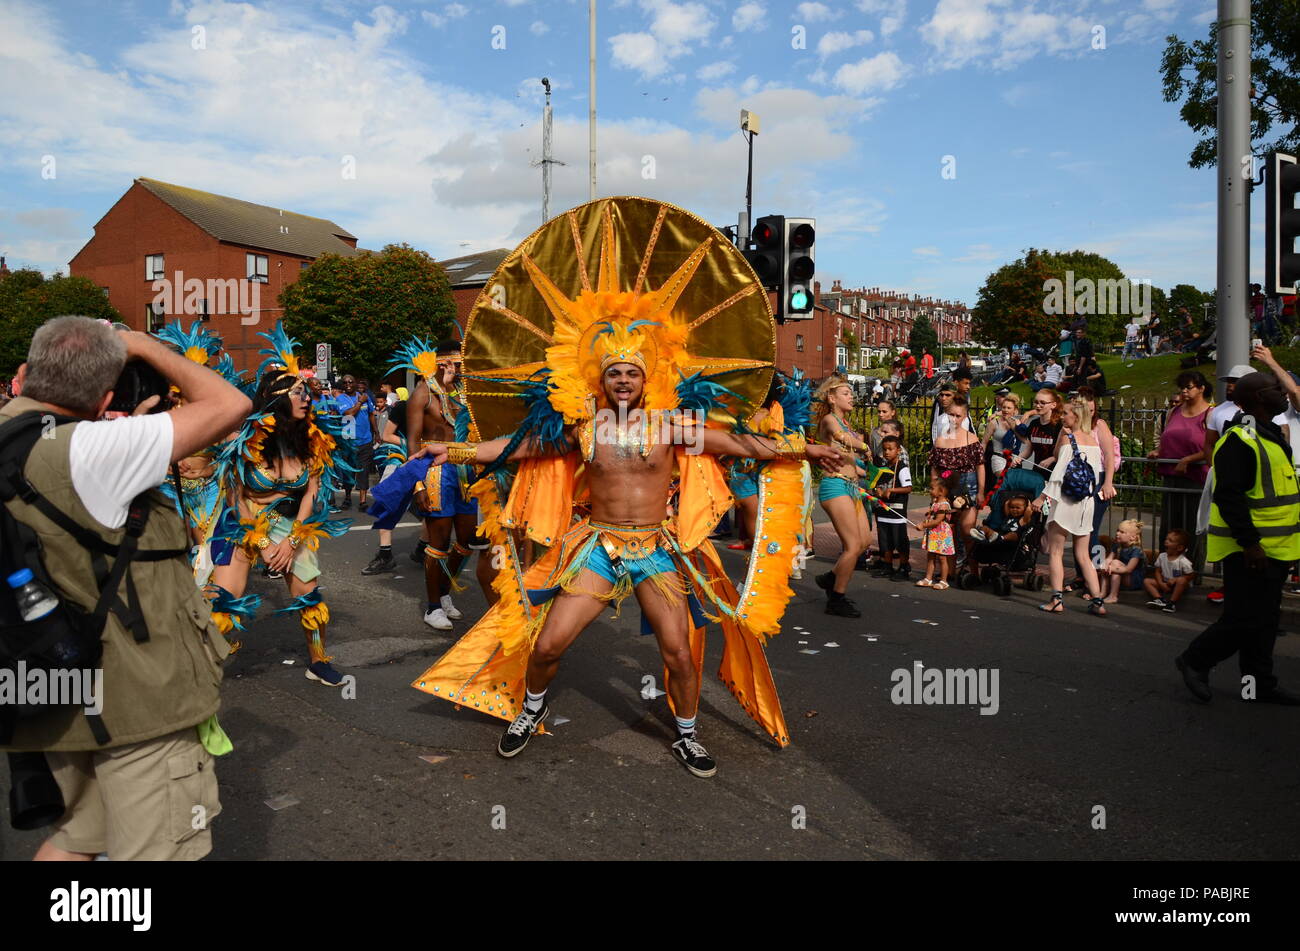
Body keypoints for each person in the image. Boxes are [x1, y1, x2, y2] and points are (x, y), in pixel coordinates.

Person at [406, 199, 842, 776]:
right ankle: (529, 708)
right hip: (597, 547)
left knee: (678, 650)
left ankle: (686, 734)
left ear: (646, 377)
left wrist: (805, 447)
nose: (623, 379)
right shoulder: (581, 426)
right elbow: (515, 448)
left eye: (632, 372)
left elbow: (742, 446)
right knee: (548, 644)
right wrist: (453, 449)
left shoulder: (672, 426)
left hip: (656, 548)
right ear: (601, 376)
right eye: (614, 371)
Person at [1, 315, 250, 860]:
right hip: (132, 700)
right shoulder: (96, 450)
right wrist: (141, 344)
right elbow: (230, 405)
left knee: (72, 841)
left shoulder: (10, 437)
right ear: (107, 393)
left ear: (27, 375)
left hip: (41, 687)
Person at [208, 324, 354, 685]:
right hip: (244, 524)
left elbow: (311, 492)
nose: (307, 399)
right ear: (278, 400)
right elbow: (236, 499)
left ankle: (318, 661)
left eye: (307, 392)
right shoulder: (245, 441)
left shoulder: (310, 439)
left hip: (291, 524)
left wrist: (291, 541)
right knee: (224, 600)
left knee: (310, 596)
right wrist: (262, 542)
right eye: (299, 393)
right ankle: (202, 668)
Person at [1176, 371, 1300, 704]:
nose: (1283, 393)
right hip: (1250, 549)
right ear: (1259, 398)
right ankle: (1195, 660)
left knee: (1265, 620)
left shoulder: (1270, 433)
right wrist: (1250, 543)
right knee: (1244, 619)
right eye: (1276, 389)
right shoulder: (1239, 440)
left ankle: (1259, 683)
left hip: (1277, 547)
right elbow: (1229, 496)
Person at [1032, 398, 1107, 616]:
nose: (1062, 417)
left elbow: (1058, 475)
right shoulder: (1093, 443)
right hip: (1085, 502)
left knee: (1055, 552)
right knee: (1083, 555)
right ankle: (1098, 600)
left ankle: (1056, 599)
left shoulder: (1068, 440)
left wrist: (1041, 498)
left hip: (1065, 501)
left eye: (1066, 413)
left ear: (1076, 416)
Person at [814, 376, 872, 617]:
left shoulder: (846, 424)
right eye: (846, 393)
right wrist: (864, 446)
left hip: (851, 486)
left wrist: (863, 468)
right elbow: (841, 438)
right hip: (835, 486)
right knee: (852, 545)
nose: (851, 397)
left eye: (851, 393)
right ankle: (836, 598)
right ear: (831, 398)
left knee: (865, 541)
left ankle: (831, 576)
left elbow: (850, 460)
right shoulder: (830, 420)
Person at [1148, 370, 1211, 548]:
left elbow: (1213, 446)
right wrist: (1158, 451)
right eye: (1182, 387)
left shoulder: (1210, 414)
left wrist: (1188, 459)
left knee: (1192, 527)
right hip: (1171, 477)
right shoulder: (1173, 412)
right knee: (1169, 527)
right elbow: (1167, 439)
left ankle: (1192, 571)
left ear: (1201, 389)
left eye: (1189, 387)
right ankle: (1165, 569)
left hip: (1195, 479)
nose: (1184, 391)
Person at [931, 396, 983, 555]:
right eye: (951, 414)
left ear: (965, 417)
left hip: (969, 486)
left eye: (958, 416)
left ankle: (973, 570)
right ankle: (950, 571)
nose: (954, 419)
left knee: (968, 531)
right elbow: (935, 469)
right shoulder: (940, 440)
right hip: (947, 487)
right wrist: (935, 491)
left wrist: (981, 491)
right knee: (948, 530)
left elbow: (980, 466)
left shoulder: (971, 438)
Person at [870, 434, 912, 582]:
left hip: (897, 511)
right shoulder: (883, 467)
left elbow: (908, 488)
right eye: (884, 449)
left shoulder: (902, 468)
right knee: (884, 540)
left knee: (899, 540)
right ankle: (887, 566)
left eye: (890, 449)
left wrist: (892, 491)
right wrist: (878, 492)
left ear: (898, 450)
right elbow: (876, 486)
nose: (887, 452)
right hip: (883, 510)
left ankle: (904, 566)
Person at [1254, 344, 1300, 471]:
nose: (1278, 387)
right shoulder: (1264, 406)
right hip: (1274, 470)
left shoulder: (1295, 404)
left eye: (1281, 383)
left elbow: (1294, 391)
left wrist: (1270, 361)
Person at [334, 374, 376, 512]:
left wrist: (377, 432)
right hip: (349, 442)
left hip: (365, 440)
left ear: (355, 383)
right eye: (345, 382)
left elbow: (371, 414)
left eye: (351, 382)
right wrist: (360, 402)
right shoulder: (340, 398)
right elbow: (348, 414)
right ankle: (347, 498)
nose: (348, 384)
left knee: (363, 471)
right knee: (348, 472)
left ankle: (363, 501)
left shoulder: (365, 396)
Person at [916, 477, 954, 589]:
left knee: (942, 558)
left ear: (941, 491)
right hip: (933, 534)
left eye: (932, 488)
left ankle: (944, 580)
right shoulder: (935, 503)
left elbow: (938, 521)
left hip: (941, 534)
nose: (929, 490)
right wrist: (929, 514)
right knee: (930, 556)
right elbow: (932, 516)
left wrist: (923, 525)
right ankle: (928, 578)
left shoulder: (944, 505)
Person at [1144, 530, 1194, 613]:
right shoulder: (1162, 556)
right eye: (1166, 539)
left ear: (1179, 548)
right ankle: (1159, 599)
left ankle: (1172, 603)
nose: (1166, 541)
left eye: (1170, 540)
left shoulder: (1183, 561)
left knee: (1181, 580)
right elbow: (1158, 571)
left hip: (1178, 586)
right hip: (1166, 583)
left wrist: (1175, 580)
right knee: (1147, 581)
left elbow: (1191, 575)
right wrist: (1161, 584)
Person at [1100, 519, 1146, 603]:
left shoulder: (1136, 550)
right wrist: (1105, 565)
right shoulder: (1118, 545)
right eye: (1117, 531)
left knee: (1115, 564)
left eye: (1122, 532)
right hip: (1121, 574)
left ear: (1133, 537)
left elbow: (1129, 569)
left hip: (1132, 579)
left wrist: (1112, 568)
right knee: (1108, 565)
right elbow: (1109, 558)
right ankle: (1102, 593)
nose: (1117, 533)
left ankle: (1113, 596)